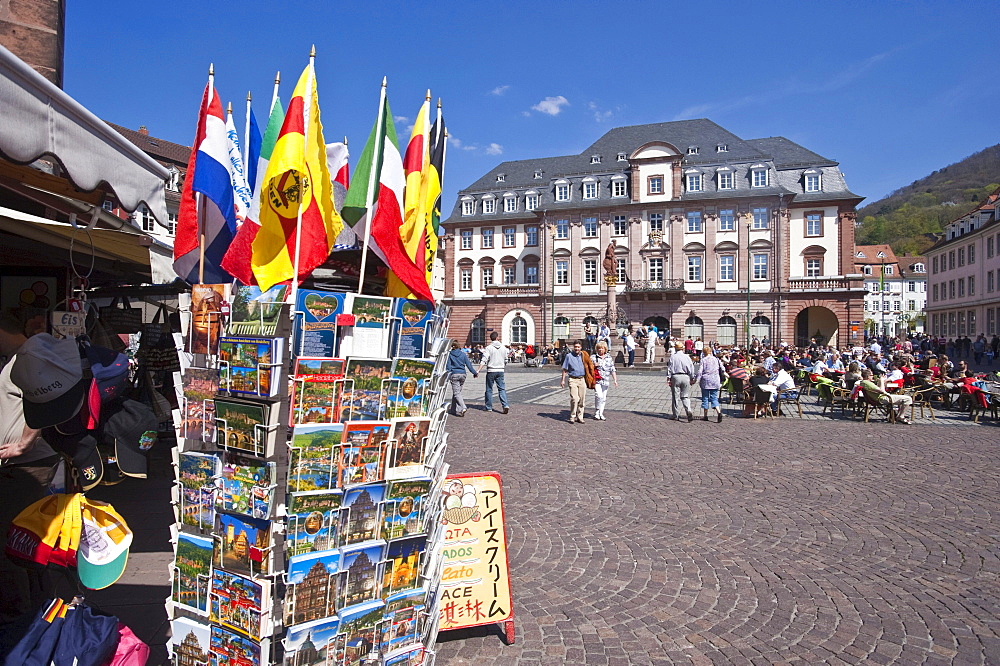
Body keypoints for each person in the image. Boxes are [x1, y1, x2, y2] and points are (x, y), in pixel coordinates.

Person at [0, 315, 74, 631]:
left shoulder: (28, 355)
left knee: (10, 536)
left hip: (26, 464)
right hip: (21, 464)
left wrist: (23, 444)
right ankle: (36, 604)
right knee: (25, 535)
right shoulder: (21, 356)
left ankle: (19, 611)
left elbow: (46, 402)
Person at [560, 340, 594, 423]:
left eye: (578, 347)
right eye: (575, 347)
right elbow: (565, 369)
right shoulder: (569, 356)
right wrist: (563, 380)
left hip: (582, 379)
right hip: (572, 379)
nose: (577, 348)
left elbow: (589, 363)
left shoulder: (584, 355)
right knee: (575, 398)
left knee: (582, 400)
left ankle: (580, 416)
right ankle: (572, 416)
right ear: (573, 347)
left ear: (581, 347)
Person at [478, 332, 510, 414]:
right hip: (500, 370)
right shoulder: (503, 348)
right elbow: (506, 360)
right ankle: (505, 405)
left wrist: (478, 370)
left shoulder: (489, 348)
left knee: (489, 389)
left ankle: (489, 407)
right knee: (501, 389)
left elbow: (484, 359)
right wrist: (502, 365)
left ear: (491, 338)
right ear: (497, 338)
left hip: (491, 370)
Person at [446, 341, 478, 416]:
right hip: (463, 375)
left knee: (456, 393)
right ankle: (453, 410)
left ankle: (463, 407)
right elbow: (469, 365)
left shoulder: (450, 355)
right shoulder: (463, 354)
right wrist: (475, 373)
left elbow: (448, 367)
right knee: (457, 392)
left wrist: (448, 374)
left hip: (454, 374)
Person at [693, 347, 725, 422]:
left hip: (706, 380)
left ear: (703, 352)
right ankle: (719, 412)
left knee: (705, 397)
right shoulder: (716, 359)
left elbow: (700, 371)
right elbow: (723, 369)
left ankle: (705, 415)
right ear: (710, 352)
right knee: (714, 397)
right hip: (715, 379)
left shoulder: (703, 360)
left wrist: (696, 380)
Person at [666, 342, 694, 422]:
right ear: (683, 348)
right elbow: (691, 368)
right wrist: (692, 377)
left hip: (675, 376)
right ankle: (688, 410)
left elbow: (670, 368)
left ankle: (675, 415)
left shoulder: (673, 357)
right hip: (685, 376)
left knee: (675, 396)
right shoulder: (687, 357)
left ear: (675, 348)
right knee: (685, 395)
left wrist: (668, 377)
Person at [591, 342, 618, 420]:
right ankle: (596, 411)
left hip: (606, 380)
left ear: (605, 349)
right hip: (597, 380)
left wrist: (615, 380)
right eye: (599, 348)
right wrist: (594, 365)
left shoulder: (609, 358)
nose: (600, 350)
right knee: (598, 395)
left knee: (603, 397)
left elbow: (612, 369)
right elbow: (587, 367)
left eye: (602, 348)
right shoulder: (593, 357)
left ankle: (601, 413)